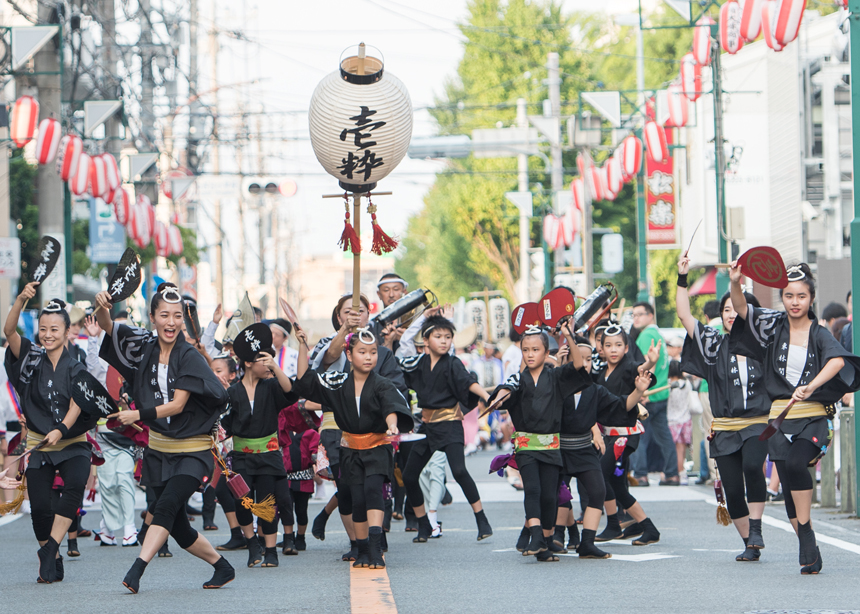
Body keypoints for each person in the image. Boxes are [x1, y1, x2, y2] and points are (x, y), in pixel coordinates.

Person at [94, 283, 233, 593]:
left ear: (183, 319)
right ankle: (222, 567)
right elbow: (109, 328)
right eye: (164, 315)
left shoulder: (189, 356)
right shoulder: (144, 346)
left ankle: (136, 570)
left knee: (165, 507)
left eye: (177, 316)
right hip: (158, 452)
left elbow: (178, 405)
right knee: (180, 530)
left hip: (192, 453)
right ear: (152, 317)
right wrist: (103, 305)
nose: (171, 322)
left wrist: (136, 415)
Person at [729, 262, 860, 574]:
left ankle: (806, 533)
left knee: (799, 463)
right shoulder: (772, 327)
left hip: (814, 416)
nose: (795, 301)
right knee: (787, 482)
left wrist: (811, 386)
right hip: (779, 420)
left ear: (811, 298)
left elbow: (839, 361)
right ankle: (807, 540)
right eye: (789, 295)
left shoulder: (820, 333)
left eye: (801, 295)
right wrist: (735, 282)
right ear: (782, 298)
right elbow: (742, 310)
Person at [293, 327, 413, 569]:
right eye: (362, 352)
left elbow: (391, 407)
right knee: (357, 498)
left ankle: (376, 548)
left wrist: (392, 425)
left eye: (372, 352)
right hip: (349, 447)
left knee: (372, 491)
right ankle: (361, 548)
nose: (369, 357)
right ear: (348, 355)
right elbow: (305, 382)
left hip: (377, 446)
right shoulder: (337, 383)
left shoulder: (382, 384)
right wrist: (303, 346)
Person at [677, 257, 771, 562]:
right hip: (724, 427)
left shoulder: (764, 344)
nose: (731, 314)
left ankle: (756, 527)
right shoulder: (713, 343)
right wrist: (681, 277)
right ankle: (749, 542)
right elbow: (684, 314)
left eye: (736, 308)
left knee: (752, 467)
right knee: (731, 489)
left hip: (758, 422)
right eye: (726, 310)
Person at [3, 286, 96, 584]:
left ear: (68, 331)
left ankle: (52, 548)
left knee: (73, 490)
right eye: (43, 329)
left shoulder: (76, 365)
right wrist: (20, 300)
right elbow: (9, 330)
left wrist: (62, 429)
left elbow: (76, 404)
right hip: (40, 446)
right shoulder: (30, 358)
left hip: (73, 444)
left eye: (54, 329)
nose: (48, 334)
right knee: (40, 507)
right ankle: (51, 555)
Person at [489, 322, 591, 562]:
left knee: (549, 496)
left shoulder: (556, 376)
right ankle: (536, 534)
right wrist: (501, 395)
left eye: (536, 350)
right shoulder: (517, 380)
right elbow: (501, 394)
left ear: (547, 353)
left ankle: (543, 543)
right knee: (532, 489)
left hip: (551, 446)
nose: (531, 354)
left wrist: (568, 336)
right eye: (526, 350)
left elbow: (578, 366)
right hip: (526, 446)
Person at [554, 335, 652, 559]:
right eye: (579, 359)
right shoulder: (556, 385)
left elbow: (620, 406)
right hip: (558, 449)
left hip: (583, 448)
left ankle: (587, 542)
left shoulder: (594, 390)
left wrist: (638, 391)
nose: (585, 363)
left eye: (589, 359)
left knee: (597, 490)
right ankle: (556, 535)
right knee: (558, 492)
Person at [398, 315, 493, 543]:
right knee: (410, 476)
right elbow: (404, 345)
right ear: (426, 339)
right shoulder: (418, 363)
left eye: (448, 337)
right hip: (427, 427)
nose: (444, 341)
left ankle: (481, 519)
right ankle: (423, 524)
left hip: (450, 424)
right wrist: (423, 317)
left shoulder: (453, 363)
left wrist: (487, 397)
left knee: (459, 471)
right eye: (438, 336)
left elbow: (468, 383)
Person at [223, 323, 297, 569]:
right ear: (247, 363)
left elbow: (292, 392)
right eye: (262, 359)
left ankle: (270, 551)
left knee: (266, 504)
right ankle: (252, 543)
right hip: (241, 456)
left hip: (268, 456)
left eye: (270, 359)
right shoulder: (232, 393)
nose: (267, 363)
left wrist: (275, 368)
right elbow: (225, 425)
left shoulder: (272, 386)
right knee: (242, 503)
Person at [594, 324, 662, 545]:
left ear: (626, 348)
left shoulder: (628, 367)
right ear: (601, 349)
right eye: (608, 345)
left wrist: (651, 361)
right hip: (607, 436)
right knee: (616, 483)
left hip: (625, 437)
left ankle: (617, 523)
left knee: (603, 476)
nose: (613, 350)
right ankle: (641, 526)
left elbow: (642, 369)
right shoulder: (601, 373)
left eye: (618, 345)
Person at [630, 302, 678, 486]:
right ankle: (672, 473)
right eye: (634, 315)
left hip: (649, 394)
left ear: (651, 315)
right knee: (664, 435)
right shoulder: (658, 334)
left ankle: (641, 474)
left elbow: (649, 364)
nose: (636, 318)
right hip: (661, 394)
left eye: (640, 314)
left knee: (639, 435)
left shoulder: (646, 335)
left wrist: (644, 391)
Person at [277, 400, 320, 555]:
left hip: (304, 477)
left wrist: (319, 464)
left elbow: (315, 452)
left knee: (302, 510)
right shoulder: (281, 429)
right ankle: (289, 536)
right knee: (285, 508)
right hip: (285, 477)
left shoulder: (310, 432)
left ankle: (300, 537)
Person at [666, 361, 696, 483]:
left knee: (671, 450)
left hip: (672, 420)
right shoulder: (687, 384)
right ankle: (682, 473)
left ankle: (675, 472)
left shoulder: (668, 385)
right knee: (681, 450)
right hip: (685, 419)